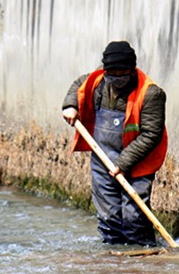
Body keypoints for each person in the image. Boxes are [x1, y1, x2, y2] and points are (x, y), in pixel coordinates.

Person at [62, 41, 168, 246]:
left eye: (122, 74)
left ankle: (142, 255)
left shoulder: (151, 94)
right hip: (103, 160)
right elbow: (78, 85)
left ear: (132, 70)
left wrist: (122, 163)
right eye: (112, 74)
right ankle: (114, 260)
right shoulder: (98, 82)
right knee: (109, 218)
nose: (117, 78)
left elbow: (151, 134)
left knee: (134, 218)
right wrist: (70, 105)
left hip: (138, 162)